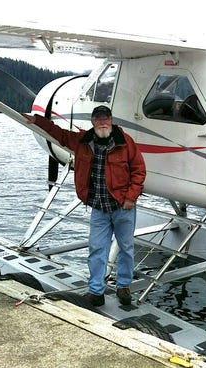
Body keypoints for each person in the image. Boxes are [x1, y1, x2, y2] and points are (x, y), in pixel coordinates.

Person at [23, 105, 146, 306]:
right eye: (98, 119)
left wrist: (131, 198)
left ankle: (123, 287)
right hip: (98, 208)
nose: (102, 123)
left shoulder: (126, 142)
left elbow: (139, 170)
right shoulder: (83, 141)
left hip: (123, 207)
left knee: (126, 248)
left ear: (112, 120)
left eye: (106, 119)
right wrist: (38, 120)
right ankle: (96, 291)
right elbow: (60, 135)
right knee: (97, 249)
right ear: (92, 122)